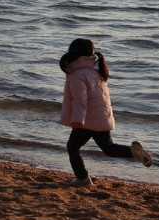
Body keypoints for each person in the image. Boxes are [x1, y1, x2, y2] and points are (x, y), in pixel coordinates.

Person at [59, 38, 153, 185]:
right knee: (109, 149)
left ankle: (83, 178)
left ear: (73, 54)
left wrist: (78, 120)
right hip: (101, 117)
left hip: (87, 121)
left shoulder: (78, 74)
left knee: (72, 147)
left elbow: (80, 100)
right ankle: (134, 153)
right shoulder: (97, 71)